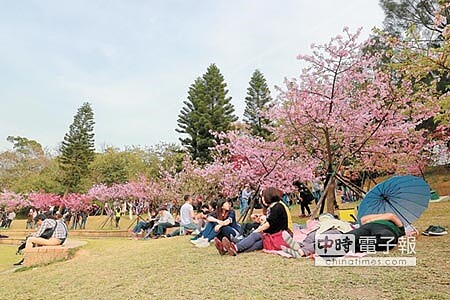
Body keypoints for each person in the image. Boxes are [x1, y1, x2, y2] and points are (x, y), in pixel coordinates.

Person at [215, 187, 290, 256]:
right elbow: (271, 222)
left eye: (263, 197)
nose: (262, 199)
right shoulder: (273, 207)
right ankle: (229, 249)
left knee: (255, 236)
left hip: (278, 237)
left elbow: (268, 224)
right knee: (258, 244)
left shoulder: (277, 207)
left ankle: (234, 247)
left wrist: (257, 231)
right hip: (273, 236)